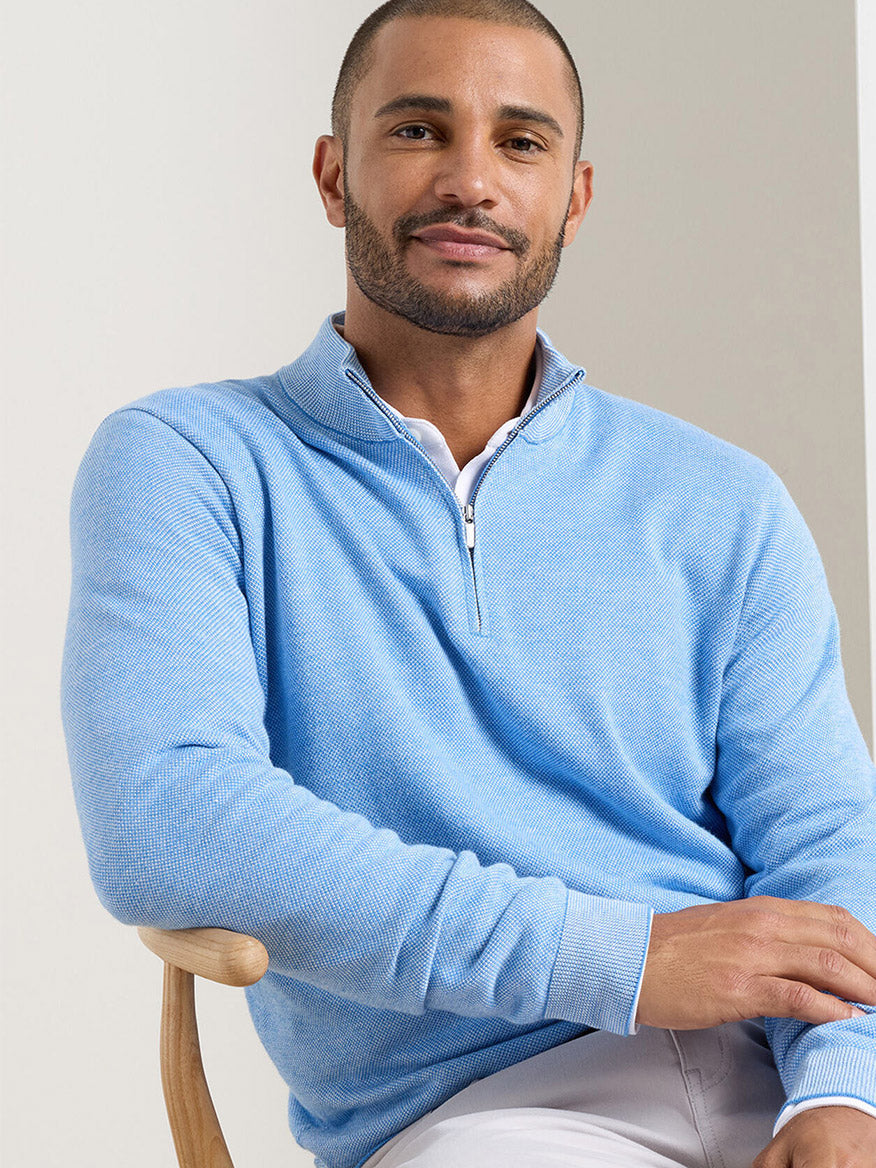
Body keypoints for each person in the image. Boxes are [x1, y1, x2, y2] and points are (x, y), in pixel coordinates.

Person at [61, 1, 876, 1166]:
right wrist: (622, 958)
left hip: (782, 1071)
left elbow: (830, 838)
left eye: (520, 142)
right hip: (487, 1114)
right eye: (418, 130)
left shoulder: (724, 499)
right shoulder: (189, 463)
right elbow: (168, 816)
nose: (471, 181)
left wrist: (844, 1092)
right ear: (333, 175)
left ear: (575, 199)